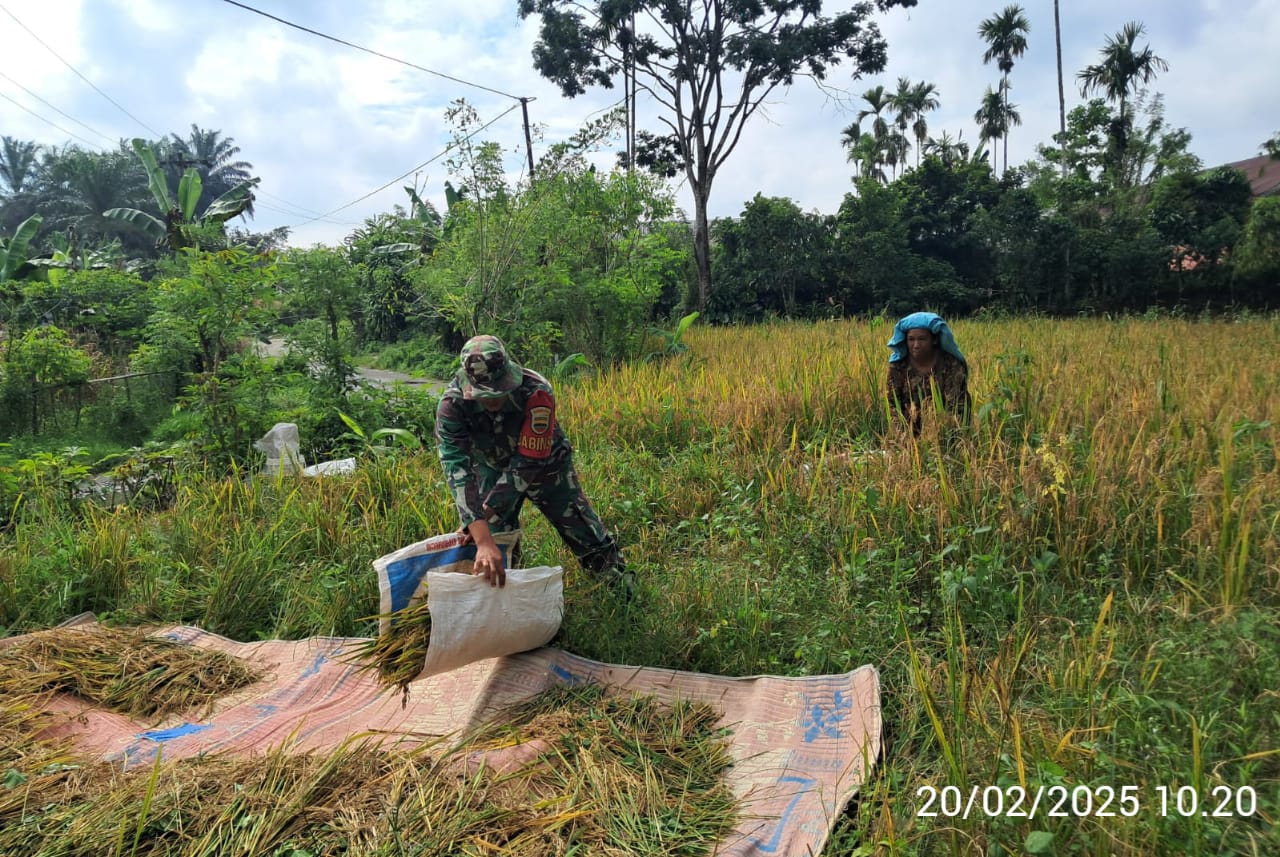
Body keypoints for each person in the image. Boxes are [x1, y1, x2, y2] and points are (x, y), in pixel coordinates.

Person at [435, 334, 631, 596]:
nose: (493, 402)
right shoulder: (452, 405)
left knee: (584, 531)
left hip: (548, 469)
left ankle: (624, 595)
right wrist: (479, 528)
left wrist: (487, 509)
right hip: (492, 469)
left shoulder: (536, 390)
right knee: (493, 545)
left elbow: (529, 460)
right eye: (485, 396)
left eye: (499, 392)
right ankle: (508, 602)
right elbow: (456, 468)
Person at [886, 312, 971, 433]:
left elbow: (956, 406)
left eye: (922, 339)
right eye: (911, 339)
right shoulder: (898, 366)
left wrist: (939, 435)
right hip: (908, 431)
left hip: (945, 429)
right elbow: (892, 404)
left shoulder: (950, 364)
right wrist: (902, 437)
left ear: (934, 340)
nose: (916, 345)